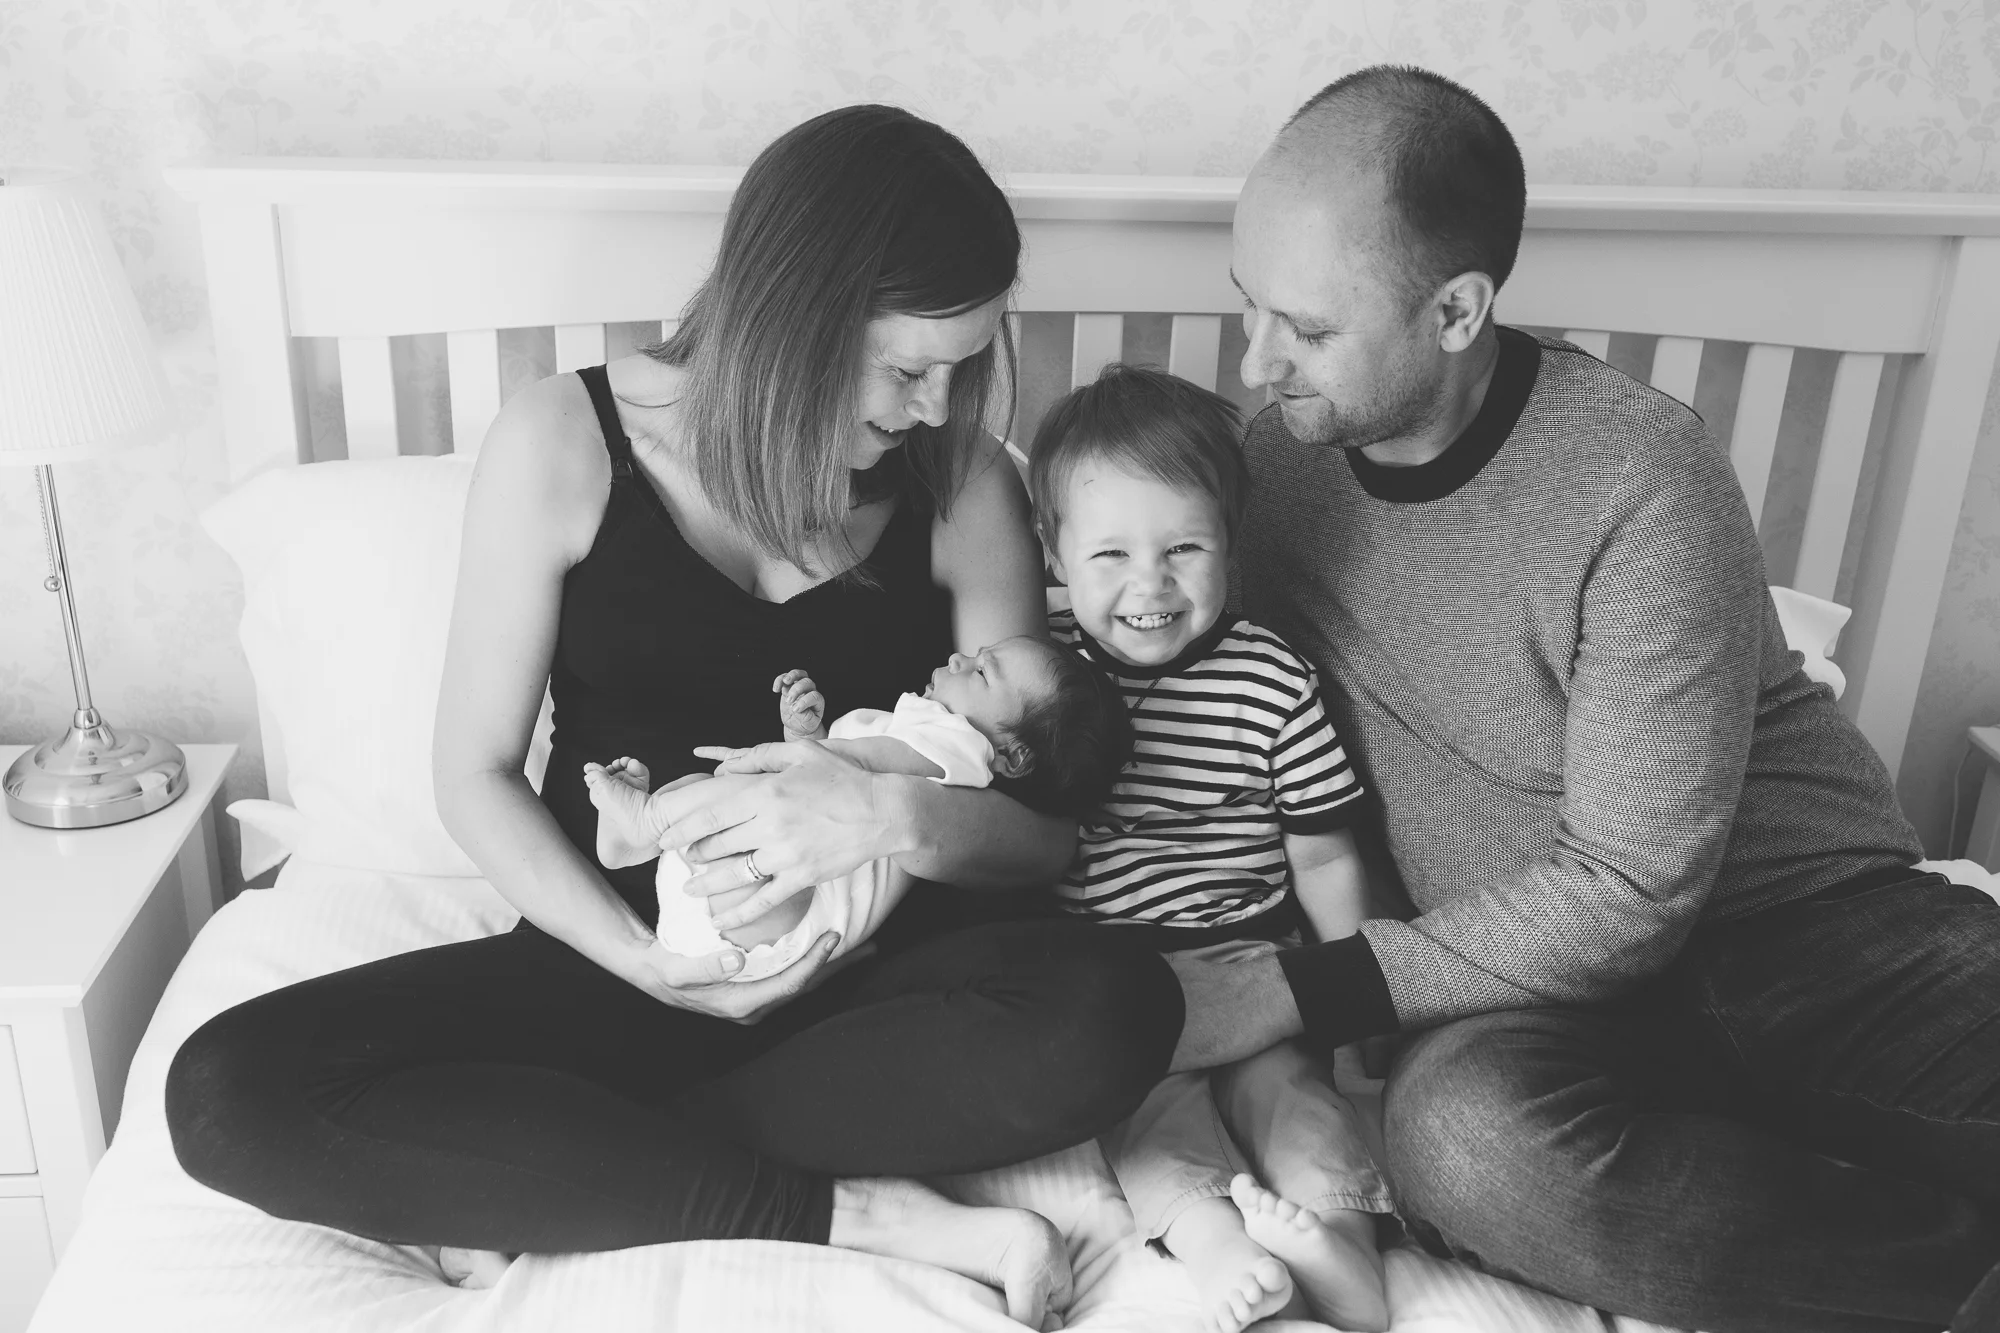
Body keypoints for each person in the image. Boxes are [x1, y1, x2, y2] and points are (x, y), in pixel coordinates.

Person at [164, 104, 1181, 1329]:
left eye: (962, 368)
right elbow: (474, 772)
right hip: (623, 962)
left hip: (870, 987)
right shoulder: (563, 440)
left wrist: (888, 814)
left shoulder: (958, 482)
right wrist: (646, 964)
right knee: (225, 1090)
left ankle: (587, 1164)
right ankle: (844, 1209)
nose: (935, 405)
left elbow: (1040, 835)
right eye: (910, 368)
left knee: (1121, 1005)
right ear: (796, 316)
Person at [1165, 63, 2000, 1333]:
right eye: (1248, 304)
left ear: (1456, 309)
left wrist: (1295, 987)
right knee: (1462, 1146)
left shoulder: (1637, 475)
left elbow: (1629, 889)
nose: (1256, 359)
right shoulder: (1269, 474)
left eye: (1307, 328)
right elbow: (1145, 654)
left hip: (1815, 931)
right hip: (1525, 1004)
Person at [1029, 365, 1392, 1333]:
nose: (1149, 585)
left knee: (1298, 1098)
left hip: (1251, 957)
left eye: (1184, 547)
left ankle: (1340, 1248)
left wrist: (1356, 1010)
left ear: (1230, 542)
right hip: (1116, 981)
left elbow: (1323, 856)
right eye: (1110, 553)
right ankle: (1218, 1247)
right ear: (1052, 553)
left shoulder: (1270, 679)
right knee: (1148, 1119)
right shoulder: (1040, 670)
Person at [582, 636, 1127, 980]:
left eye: (983, 673)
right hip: (736, 917)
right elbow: (831, 771)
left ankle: (648, 823)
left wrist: (793, 754)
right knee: (714, 791)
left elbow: (847, 770)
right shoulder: (918, 731)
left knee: (729, 794)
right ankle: (631, 841)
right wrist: (806, 732)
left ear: (1013, 756)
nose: (960, 658)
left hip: (781, 915)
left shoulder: (961, 749)